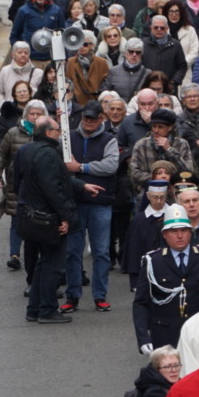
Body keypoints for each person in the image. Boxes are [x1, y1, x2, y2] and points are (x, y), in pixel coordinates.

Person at [15, 117, 101, 323]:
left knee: (41, 264)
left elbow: (18, 182)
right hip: (47, 219)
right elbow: (53, 188)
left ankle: (34, 308)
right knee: (53, 265)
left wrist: (81, 186)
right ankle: (47, 309)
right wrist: (65, 217)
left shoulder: (26, 151)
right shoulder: (49, 154)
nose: (60, 132)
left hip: (31, 216)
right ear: (47, 132)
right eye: (57, 129)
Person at [132, 204, 199, 354]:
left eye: (184, 230)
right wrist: (143, 337)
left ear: (190, 232)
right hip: (164, 335)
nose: (180, 235)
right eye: (174, 231)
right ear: (164, 234)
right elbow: (141, 302)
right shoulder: (153, 261)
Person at [61, 101, 118, 312]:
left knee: (101, 252)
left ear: (101, 119)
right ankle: (73, 295)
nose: (89, 122)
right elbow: (62, 167)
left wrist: (81, 167)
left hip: (100, 204)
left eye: (93, 119)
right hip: (75, 203)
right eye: (86, 118)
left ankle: (99, 295)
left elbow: (111, 166)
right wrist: (85, 173)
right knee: (72, 252)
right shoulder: (69, 139)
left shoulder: (109, 140)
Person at [0, 99, 46, 274]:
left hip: (40, 187)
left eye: (39, 114)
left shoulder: (48, 133)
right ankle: (14, 255)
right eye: (32, 114)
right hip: (17, 185)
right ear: (26, 115)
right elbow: (1, 154)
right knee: (17, 220)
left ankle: (36, 255)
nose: (35, 117)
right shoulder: (13, 133)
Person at [10, 0, 66, 64]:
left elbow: (62, 33)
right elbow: (14, 35)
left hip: (51, 59)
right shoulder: (23, 11)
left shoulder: (56, 10)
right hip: (30, 59)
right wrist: (19, 54)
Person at [0, 41, 44, 107]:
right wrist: (4, 106)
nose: (23, 55)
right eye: (20, 52)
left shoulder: (39, 73)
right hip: (10, 114)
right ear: (13, 54)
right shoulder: (5, 71)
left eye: (26, 53)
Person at [64, 30, 110, 107]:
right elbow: (68, 80)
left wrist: (99, 94)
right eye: (79, 44)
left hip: (96, 103)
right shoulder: (71, 61)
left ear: (92, 45)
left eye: (85, 44)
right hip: (78, 103)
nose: (82, 47)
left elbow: (106, 81)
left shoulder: (101, 62)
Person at [142, 16, 189, 86]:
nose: (159, 30)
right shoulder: (142, 44)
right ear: (151, 28)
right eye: (156, 27)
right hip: (147, 87)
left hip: (168, 87)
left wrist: (174, 81)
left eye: (162, 28)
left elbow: (182, 66)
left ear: (167, 28)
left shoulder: (175, 44)